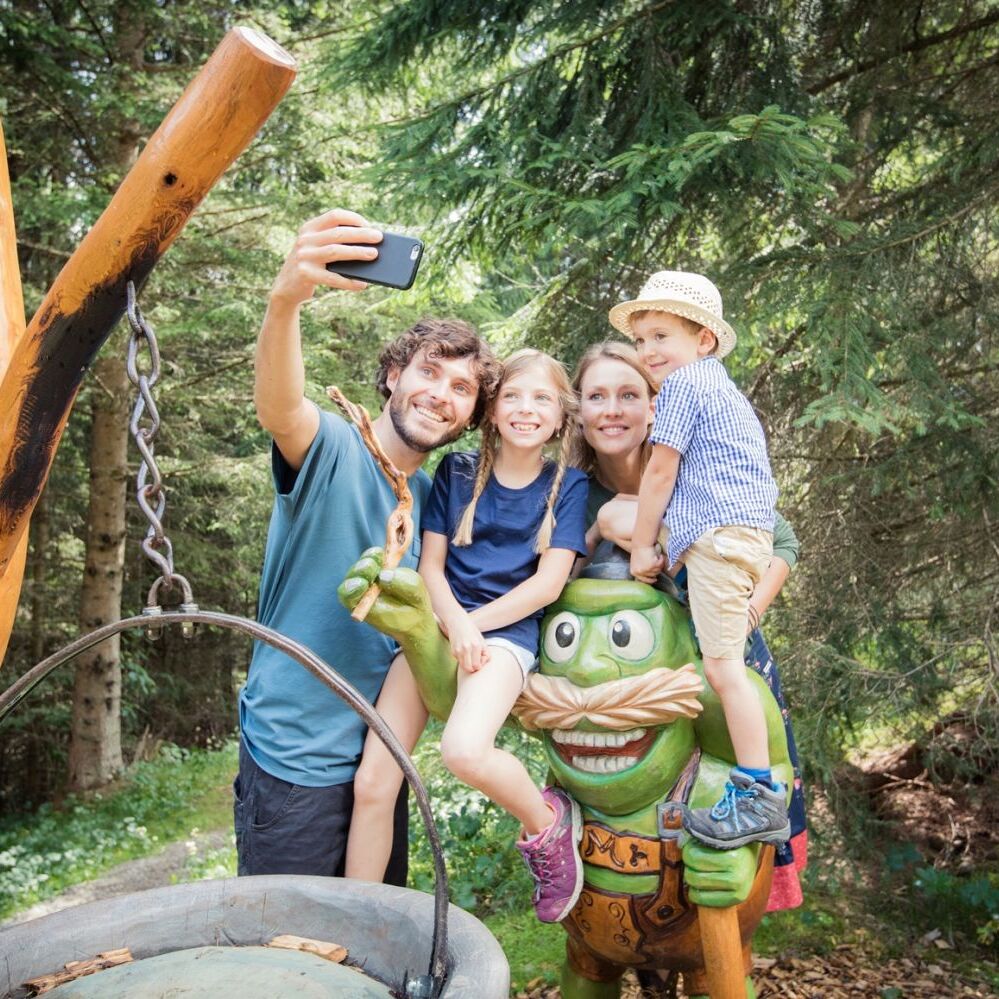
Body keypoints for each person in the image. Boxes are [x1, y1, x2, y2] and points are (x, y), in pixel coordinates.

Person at [235, 208, 501, 883]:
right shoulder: (329, 447)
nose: (440, 394)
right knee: (288, 964)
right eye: (429, 372)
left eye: (461, 388)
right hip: (294, 761)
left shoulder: (442, 507)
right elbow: (279, 406)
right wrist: (285, 300)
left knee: (372, 957)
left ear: (470, 416)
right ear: (391, 375)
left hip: (382, 765)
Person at [345, 348, 590, 923]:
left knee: (462, 751)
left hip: (505, 640)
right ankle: (351, 918)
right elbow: (430, 567)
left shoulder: (568, 485)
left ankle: (549, 825)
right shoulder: (456, 472)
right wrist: (453, 625)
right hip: (441, 625)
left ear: (560, 419)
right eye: (512, 396)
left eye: (542, 400)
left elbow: (547, 585)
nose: (526, 410)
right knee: (374, 781)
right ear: (491, 409)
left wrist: (474, 629)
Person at [572, 339, 807, 907]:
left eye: (629, 395)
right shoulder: (578, 492)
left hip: (718, 654)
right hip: (628, 692)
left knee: (734, 794)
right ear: (577, 411)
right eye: (597, 396)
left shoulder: (695, 464)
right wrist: (603, 526)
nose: (613, 410)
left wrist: (750, 608)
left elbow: (782, 539)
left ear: (656, 405)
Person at [610, 271, 788, 850]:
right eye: (640, 340)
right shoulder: (719, 388)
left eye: (661, 335)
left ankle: (757, 794)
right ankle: (756, 791)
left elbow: (661, 470)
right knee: (722, 664)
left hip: (719, 537)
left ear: (703, 339)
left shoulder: (687, 385)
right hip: (732, 537)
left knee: (723, 670)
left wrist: (641, 546)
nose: (648, 351)